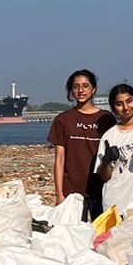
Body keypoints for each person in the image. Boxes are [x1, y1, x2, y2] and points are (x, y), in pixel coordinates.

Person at [49, 69, 116, 216]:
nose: (81, 90)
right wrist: (59, 194)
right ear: (71, 91)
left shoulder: (107, 118)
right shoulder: (63, 120)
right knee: (73, 230)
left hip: (102, 188)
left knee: (103, 230)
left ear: (93, 89)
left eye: (85, 86)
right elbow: (59, 159)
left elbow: (113, 156)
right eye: (76, 86)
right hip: (72, 191)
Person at [95, 82, 133, 211]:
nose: (126, 107)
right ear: (113, 108)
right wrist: (106, 161)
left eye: (129, 101)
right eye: (119, 104)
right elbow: (105, 176)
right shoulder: (109, 136)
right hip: (117, 202)